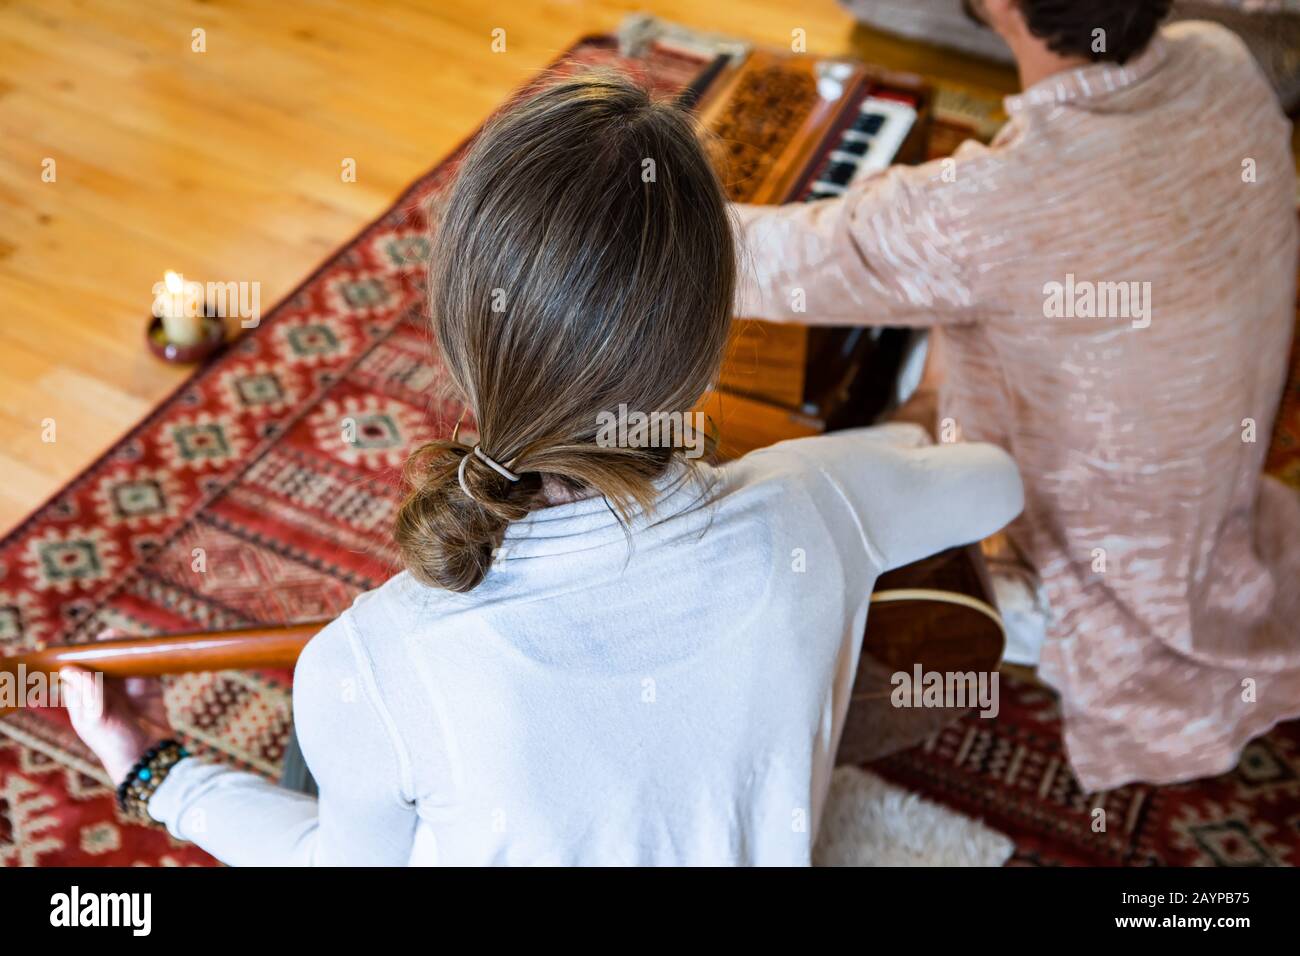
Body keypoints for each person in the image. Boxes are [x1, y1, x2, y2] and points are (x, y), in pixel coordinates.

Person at [60, 72, 1022, 865]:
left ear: (453, 332)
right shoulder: (820, 507)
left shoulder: (367, 664)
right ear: (715, 333)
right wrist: (896, 428)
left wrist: (157, 771)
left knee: (316, 767)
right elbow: (994, 483)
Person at [732, 0, 1300, 791]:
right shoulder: (1222, 59)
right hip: (1211, 503)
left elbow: (746, 263)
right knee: (943, 315)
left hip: (1074, 576)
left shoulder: (980, 207)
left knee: (768, 471)